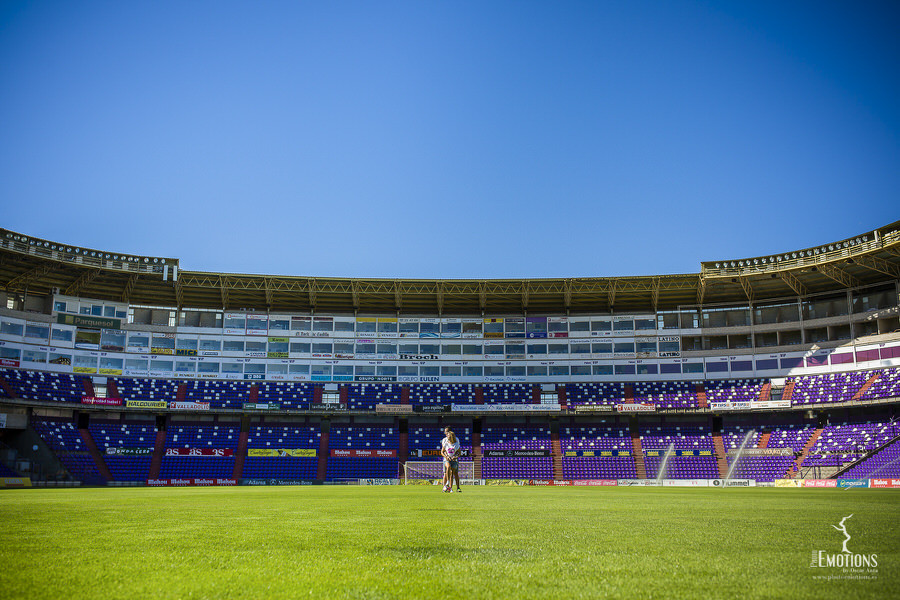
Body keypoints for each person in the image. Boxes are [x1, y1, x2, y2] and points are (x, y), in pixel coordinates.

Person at [441, 427, 461, 493]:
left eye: (446, 432)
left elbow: (458, 451)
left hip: (454, 460)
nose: (445, 433)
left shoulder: (456, 441)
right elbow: (443, 451)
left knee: (453, 473)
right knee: (446, 471)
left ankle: (452, 487)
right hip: (446, 459)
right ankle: (445, 486)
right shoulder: (445, 441)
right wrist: (446, 456)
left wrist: (455, 456)